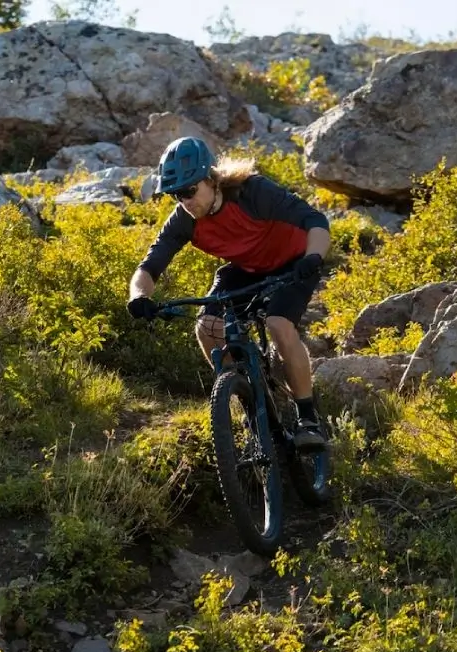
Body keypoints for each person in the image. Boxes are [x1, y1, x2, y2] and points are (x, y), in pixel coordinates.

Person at [126, 136, 330, 451]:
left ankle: (308, 420)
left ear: (211, 179)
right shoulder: (185, 219)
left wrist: (312, 258)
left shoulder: (253, 193)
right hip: (246, 269)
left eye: (189, 191)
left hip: (294, 264)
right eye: (176, 196)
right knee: (206, 328)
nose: (185, 201)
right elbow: (150, 266)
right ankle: (250, 401)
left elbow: (314, 220)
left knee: (278, 324)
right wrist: (138, 297)